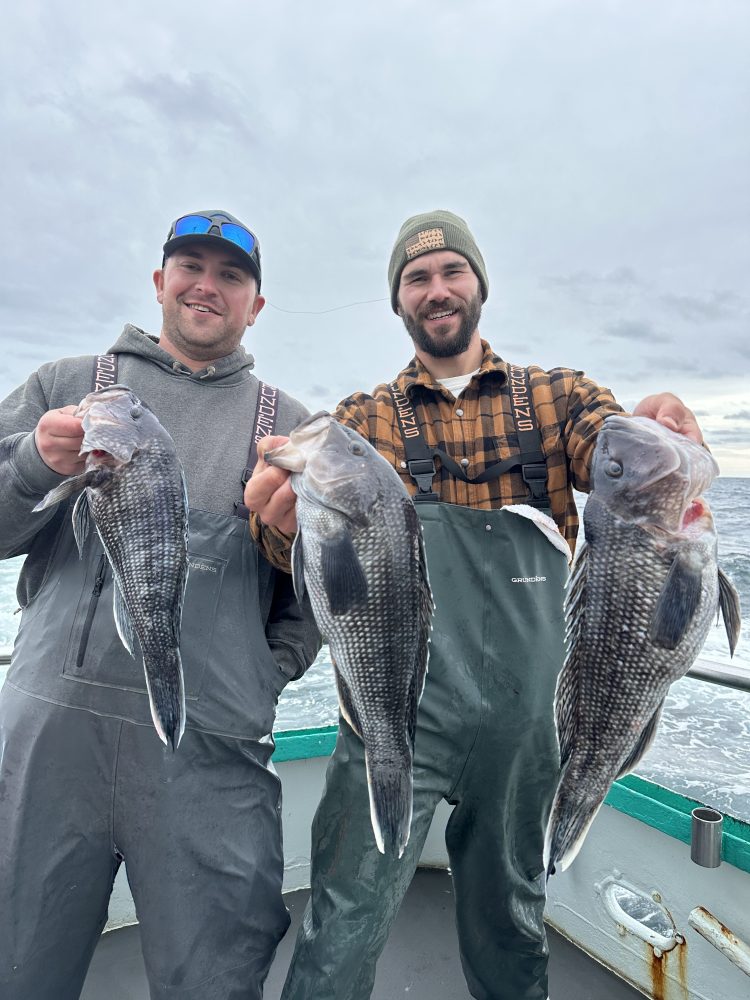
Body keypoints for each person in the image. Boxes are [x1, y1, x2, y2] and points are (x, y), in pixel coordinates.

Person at [245, 209, 704, 1000]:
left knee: (511, 916)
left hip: (529, 724)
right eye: (416, 279)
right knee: (345, 910)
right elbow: (312, 565)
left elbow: (629, 480)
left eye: (451, 271)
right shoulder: (363, 421)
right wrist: (275, 526)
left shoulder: (561, 399)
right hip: (396, 708)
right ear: (399, 302)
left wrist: (662, 433)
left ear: (478, 284)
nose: (437, 290)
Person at [0, 210, 320, 1000]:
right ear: (159, 281)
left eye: (231, 275)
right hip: (49, 748)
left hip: (210, 758)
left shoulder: (292, 432)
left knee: (214, 974)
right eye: (190, 266)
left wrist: (259, 674)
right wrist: (35, 464)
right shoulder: (65, 387)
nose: (207, 285)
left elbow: (320, 596)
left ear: (256, 305)